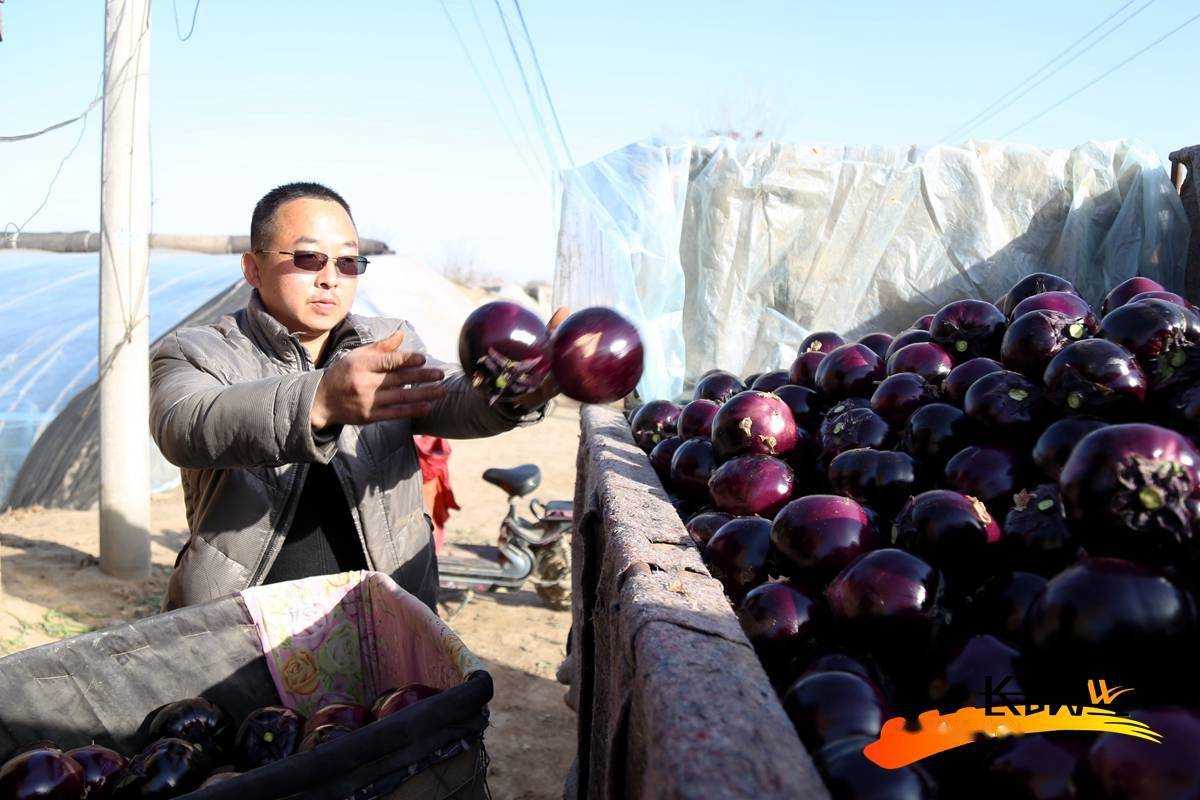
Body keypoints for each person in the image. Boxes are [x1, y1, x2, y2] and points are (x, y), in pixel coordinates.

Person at [149, 181, 563, 611]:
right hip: (243, 620)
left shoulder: (387, 341)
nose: (330, 279)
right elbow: (185, 423)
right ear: (254, 268)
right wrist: (321, 400)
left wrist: (516, 388)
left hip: (382, 609)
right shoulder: (198, 349)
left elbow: (449, 396)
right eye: (308, 258)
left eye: (348, 262)